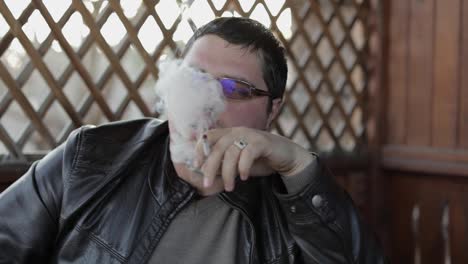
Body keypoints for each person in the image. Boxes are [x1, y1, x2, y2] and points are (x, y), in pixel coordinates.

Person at [0, 17, 387, 263]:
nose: (207, 102)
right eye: (194, 79)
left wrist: (301, 168)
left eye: (235, 89)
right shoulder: (92, 156)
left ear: (272, 111)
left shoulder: (293, 207)